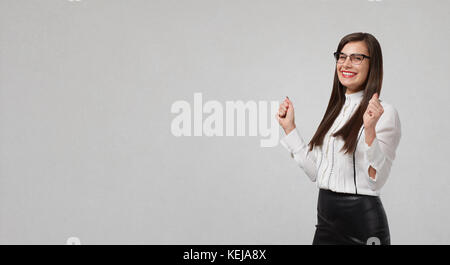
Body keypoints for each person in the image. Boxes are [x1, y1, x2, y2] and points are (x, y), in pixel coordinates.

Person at [277, 32, 401, 245]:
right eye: (342, 57)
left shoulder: (385, 112)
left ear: (373, 65)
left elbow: (376, 180)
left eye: (356, 58)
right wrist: (290, 129)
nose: (346, 64)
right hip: (326, 219)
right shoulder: (336, 110)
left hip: (362, 223)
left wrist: (369, 129)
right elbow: (316, 171)